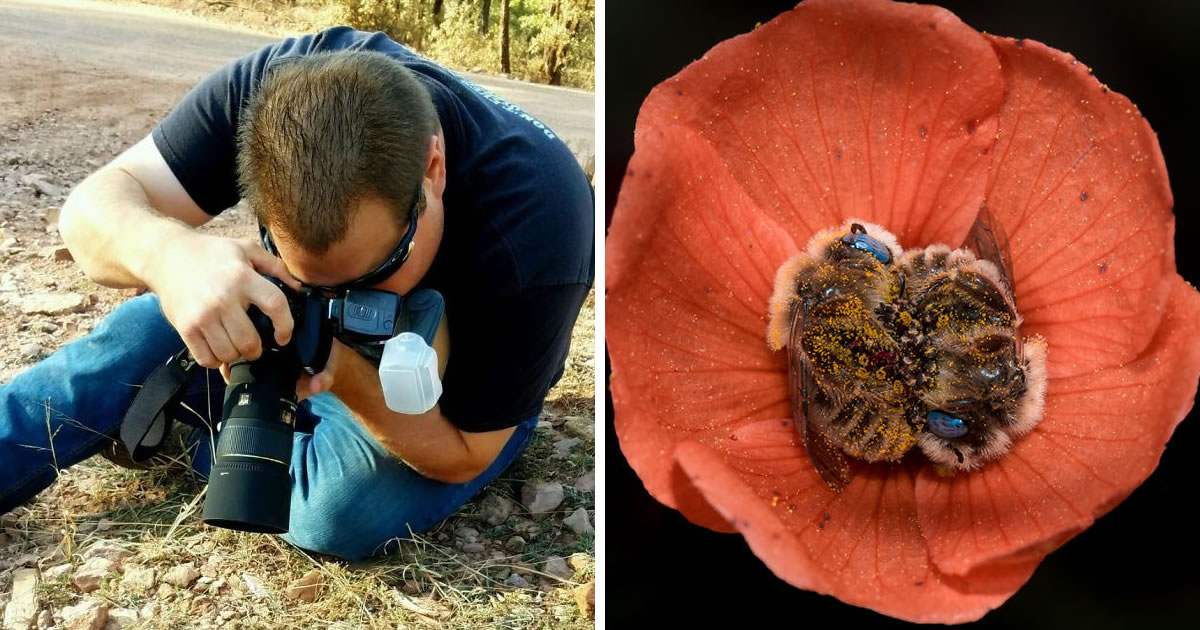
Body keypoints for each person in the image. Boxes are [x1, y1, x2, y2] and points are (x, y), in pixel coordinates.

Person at [0, 26, 594, 560]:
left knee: (334, 513)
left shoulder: (539, 227)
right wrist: (170, 255)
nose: (330, 301)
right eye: (304, 277)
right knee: (138, 334)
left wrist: (334, 363)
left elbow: (466, 451)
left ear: (432, 172)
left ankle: (188, 423)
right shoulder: (277, 98)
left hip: (453, 393)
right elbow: (90, 212)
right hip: (330, 353)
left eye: (373, 271)